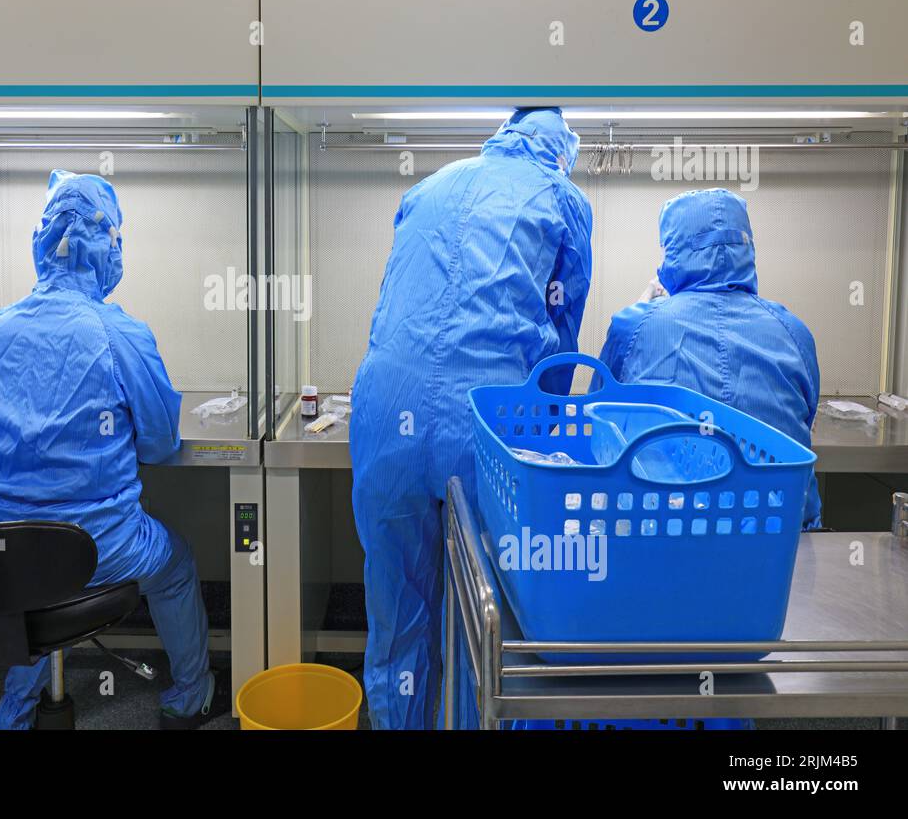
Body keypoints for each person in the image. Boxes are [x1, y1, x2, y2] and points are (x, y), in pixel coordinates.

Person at [350, 107, 593, 729]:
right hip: (485, 421)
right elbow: (559, 347)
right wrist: (548, 434)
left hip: (385, 409)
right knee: (481, 619)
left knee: (395, 609)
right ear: (559, 149)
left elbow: (395, 301)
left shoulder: (427, 186)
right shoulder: (563, 198)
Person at [0, 169, 221, 730]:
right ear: (104, 247)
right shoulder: (119, 332)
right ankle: (189, 696)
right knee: (174, 565)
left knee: (25, 572)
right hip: (95, 546)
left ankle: (18, 706)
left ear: (43, 243)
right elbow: (159, 442)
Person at [598, 187, 821, 528]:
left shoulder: (634, 327)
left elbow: (599, 415)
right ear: (746, 247)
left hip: (665, 532)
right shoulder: (793, 331)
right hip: (780, 540)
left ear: (672, 251)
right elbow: (806, 416)